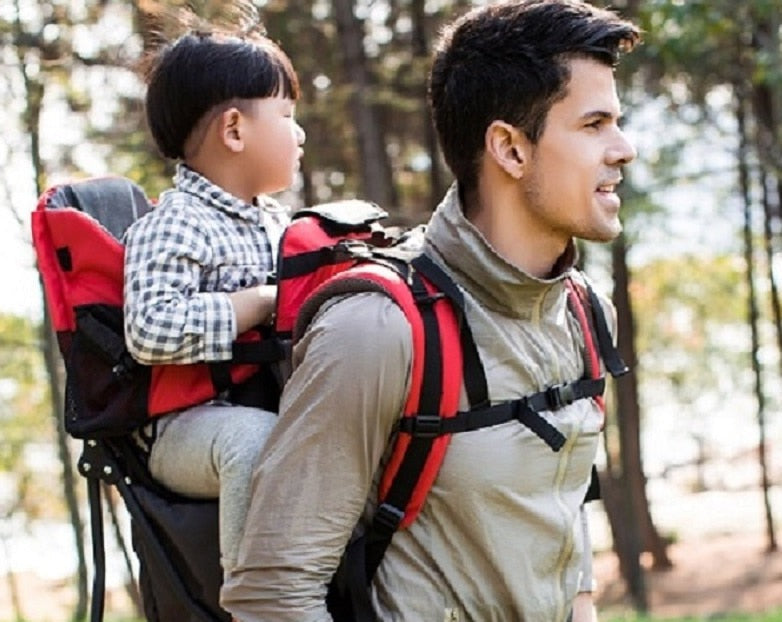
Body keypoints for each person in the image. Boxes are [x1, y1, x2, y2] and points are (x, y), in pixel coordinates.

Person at [222, 0, 639, 620]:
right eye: (593, 125)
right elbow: (273, 590)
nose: (623, 148)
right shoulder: (377, 327)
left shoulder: (584, 314)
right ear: (510, 149)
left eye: (617, 122)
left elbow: (561, 510)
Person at [121, 21, 305, 595]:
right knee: (253, 441)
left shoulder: (278, 225)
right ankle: (258, 598)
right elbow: (149, 329)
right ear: (234, 129)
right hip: (189, 428)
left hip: (271, 400)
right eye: (286, 116)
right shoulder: (172, 225)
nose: (299, 135)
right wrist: (262, 302)